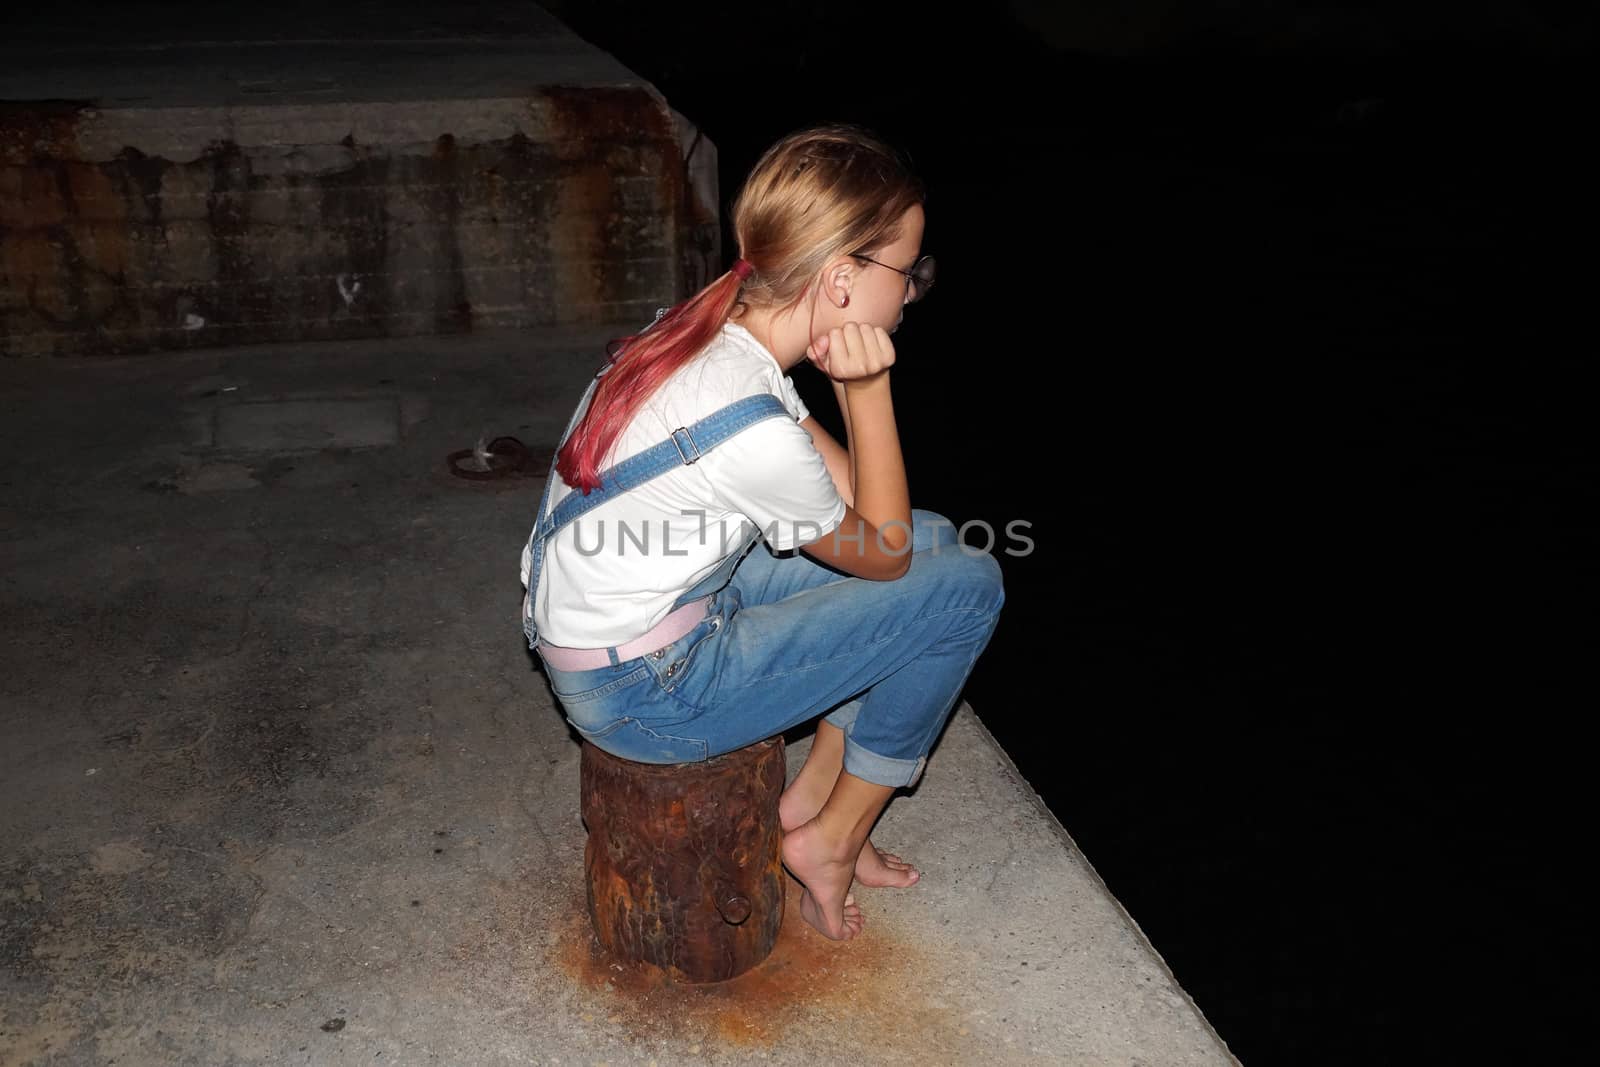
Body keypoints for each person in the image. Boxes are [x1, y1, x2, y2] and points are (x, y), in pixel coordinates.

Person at [519, 123, 1005, 941]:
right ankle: (832, 839)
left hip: (641, 614)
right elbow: (878, 557)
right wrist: (869, 389)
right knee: (968, 586)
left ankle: (811, 798)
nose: (913, 293)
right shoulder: (748, 424)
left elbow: (873, 517)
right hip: (645, 693)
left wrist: (846, 388)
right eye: (907, 271)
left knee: (935, 537)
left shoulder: (720, 332)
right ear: (842, 278)